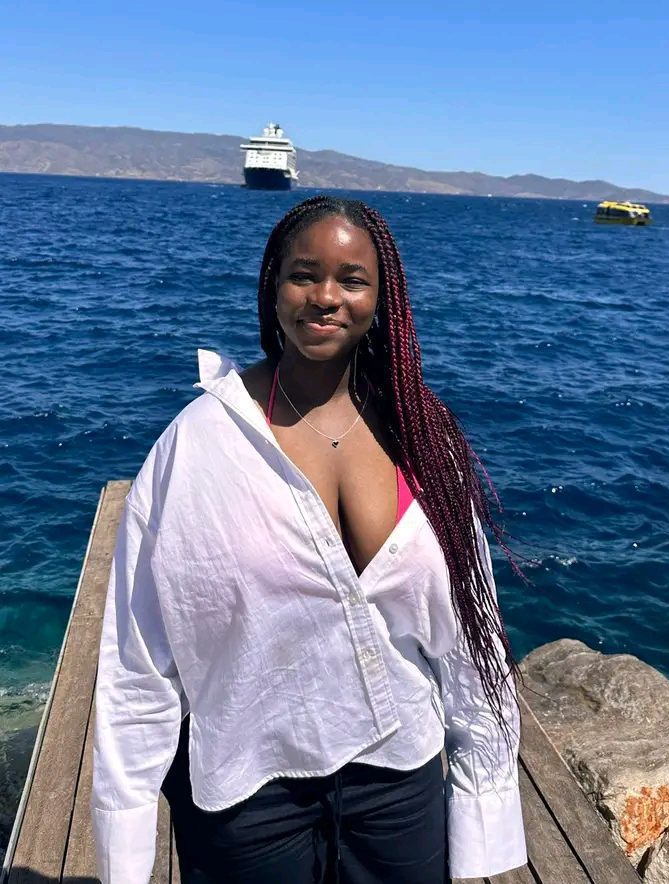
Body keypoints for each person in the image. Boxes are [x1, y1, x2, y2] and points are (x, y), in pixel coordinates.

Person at [91, 196, 527, 883]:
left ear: (383, 301)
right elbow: (139, 652)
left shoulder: (422, 438)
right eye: (304, 274)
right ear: (273, 288)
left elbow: (469, 632)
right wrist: (124, 837)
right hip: (251, 784)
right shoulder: (200, 444)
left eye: (352, 280)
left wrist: (483, 795)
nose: (326, 297)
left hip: (401, 774)